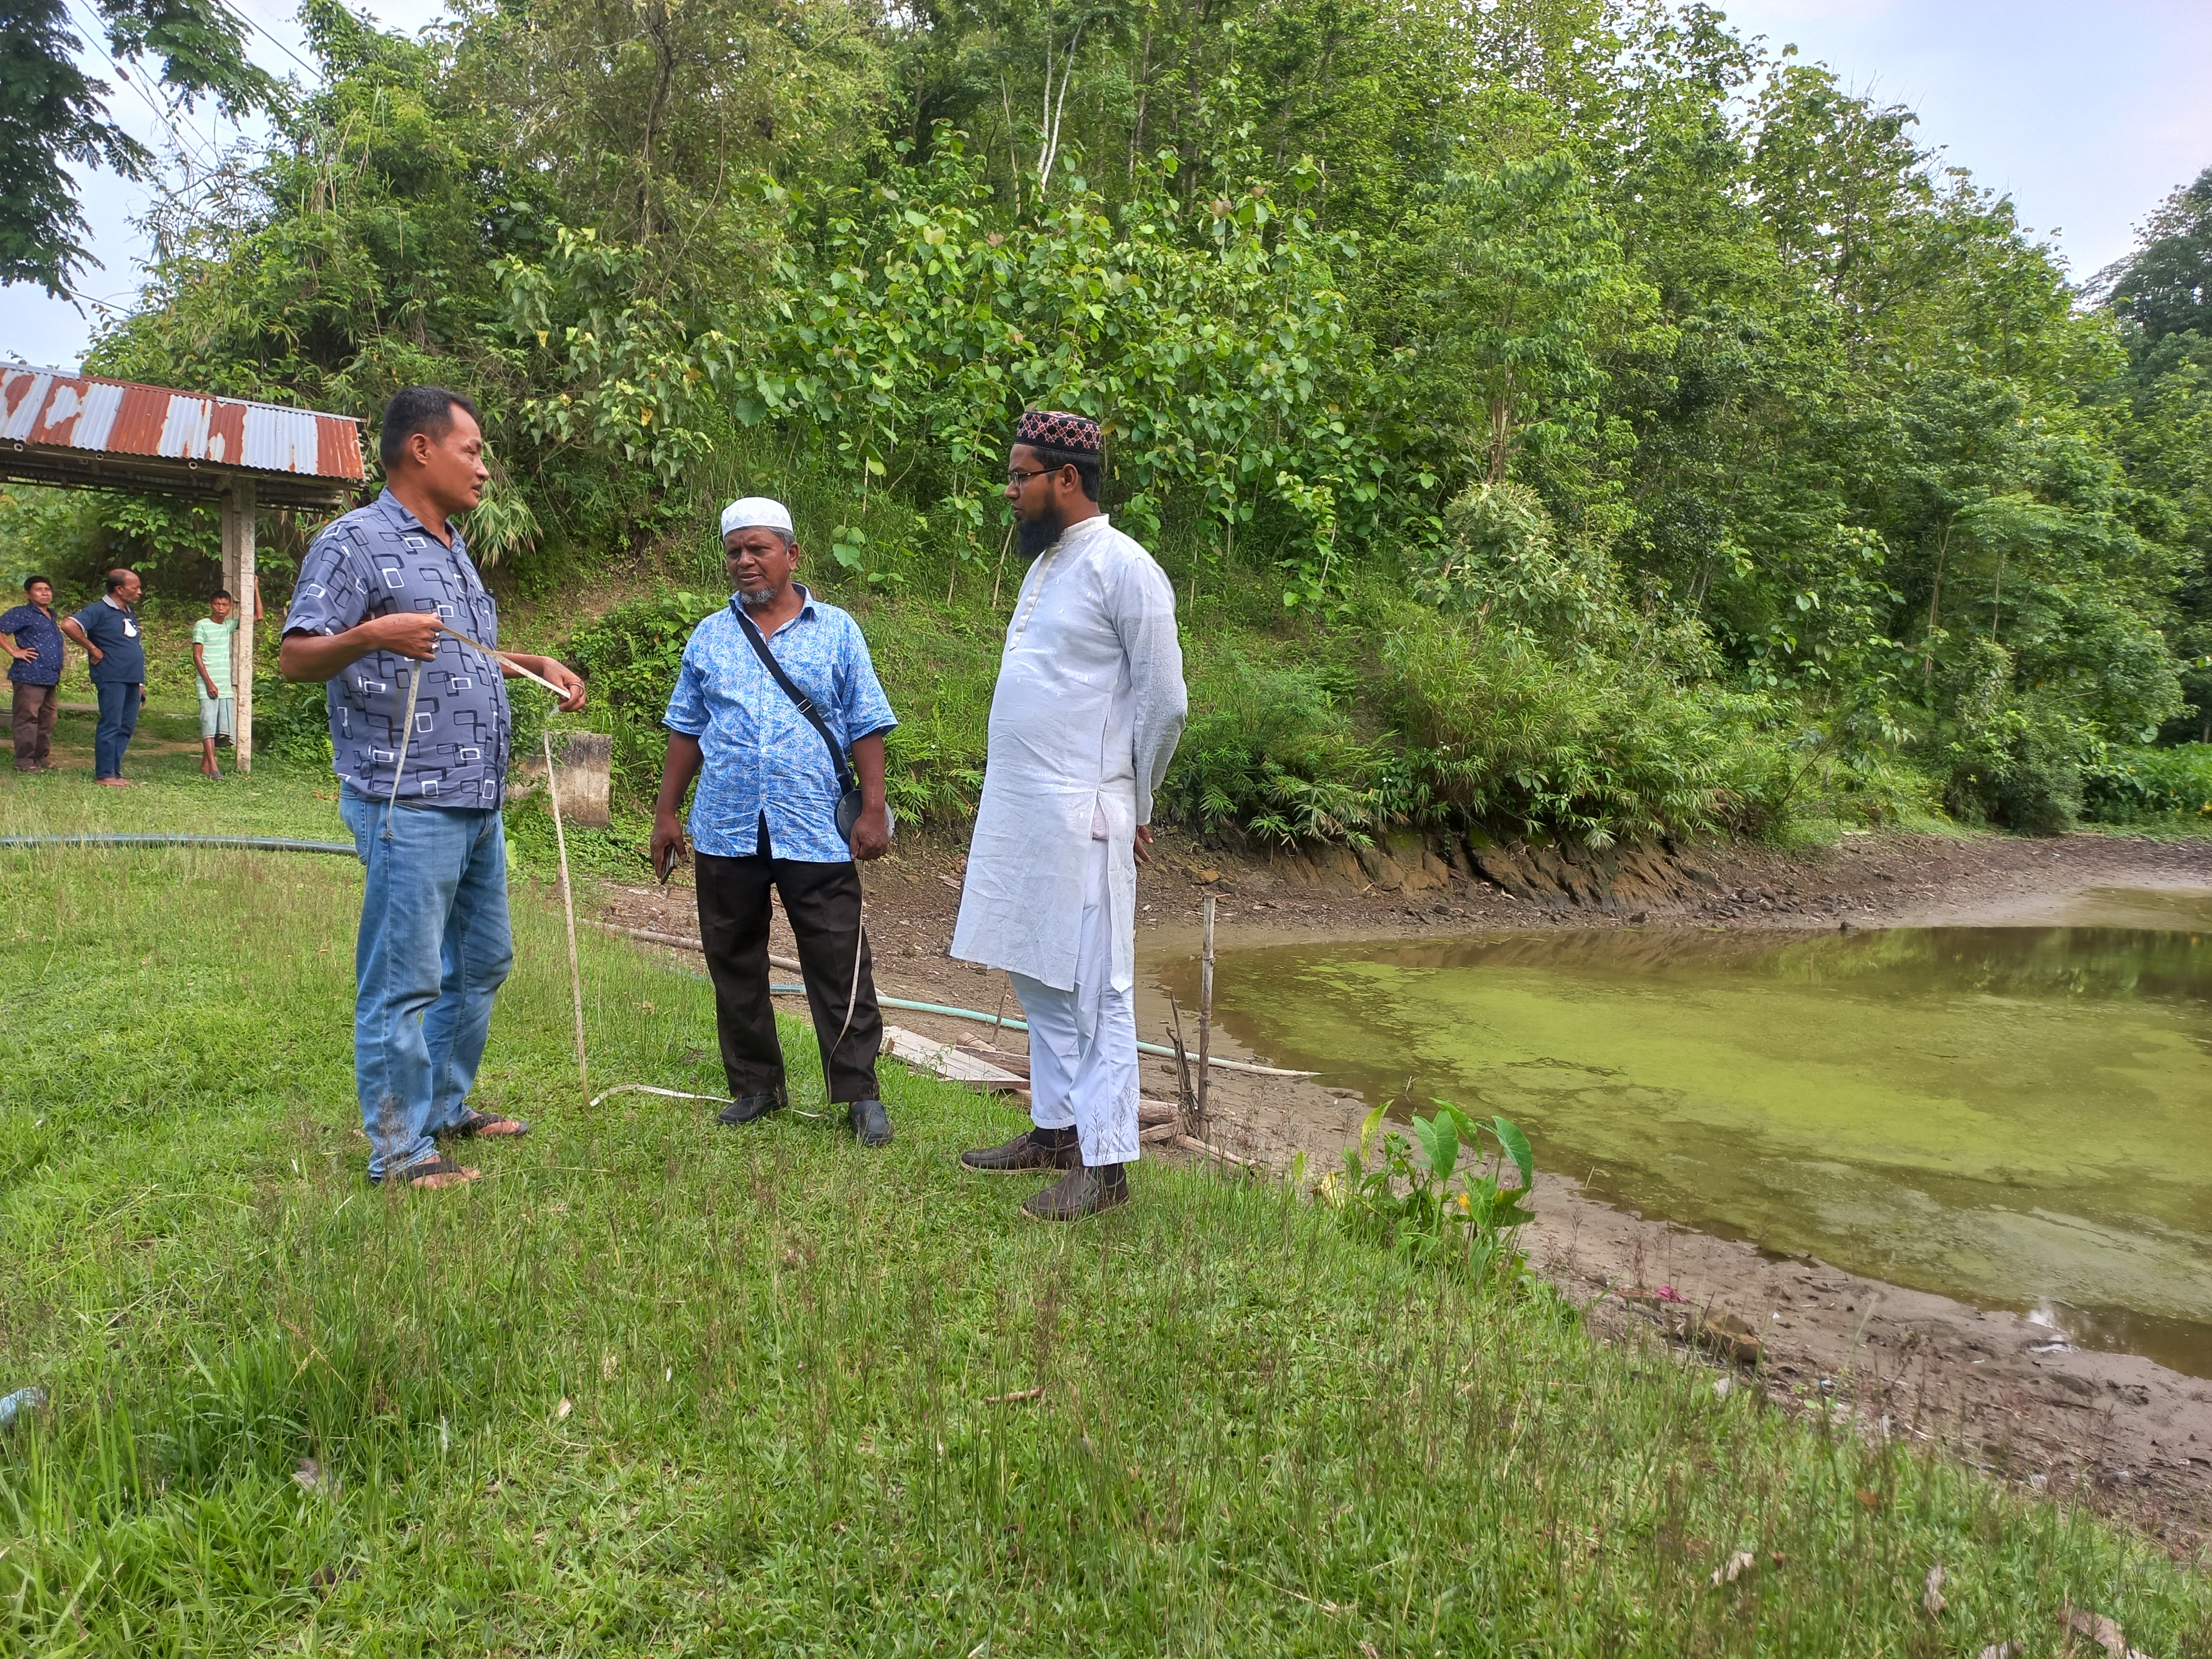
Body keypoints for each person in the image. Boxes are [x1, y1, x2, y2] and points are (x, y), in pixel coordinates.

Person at [279, 385, 588, 1190]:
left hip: (476, 799)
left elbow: (458, 651)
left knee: (483, 960)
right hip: (406, 801)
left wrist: (531, 661)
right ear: (421, 448)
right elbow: (297, 656)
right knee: (404, 979)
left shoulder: (451, 545)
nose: (483, 468)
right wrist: (372, 634)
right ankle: (399, 1151)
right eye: (473, 450)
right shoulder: (353, 544)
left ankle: (444, 1109)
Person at [950, 411, 1187, 1220]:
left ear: (1067, 479)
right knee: (1037, 970)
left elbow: (1165, 702)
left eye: (1020, 476)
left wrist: (1138, 797)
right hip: (1023, 807)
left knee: (1097, 989)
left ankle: (1108, 1162)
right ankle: (1053, 1129)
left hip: (1086, 810)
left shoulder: (1126, 568)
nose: (1009, 491)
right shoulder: (1048, 562)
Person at [650, 498, 900, 1147]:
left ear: (792, 554)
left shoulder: (838, 630)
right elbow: (687, 729)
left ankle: (860, 1094)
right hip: (728, 826)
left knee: (838, 959)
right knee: (733, 958)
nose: (744, 561)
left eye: (758, 548)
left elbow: (868, 721)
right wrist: (667, 813)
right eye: (735, 551)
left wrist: (874, 810)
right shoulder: (709, 635)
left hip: (816, 826)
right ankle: (756, 1085)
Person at [60, 569, 147, 786]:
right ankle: (105, 773)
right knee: (111, 723)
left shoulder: (127, 611)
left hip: (131, 679)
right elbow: (68, 625)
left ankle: (115, 771)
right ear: (119, 589)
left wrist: (139, 682)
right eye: (135, 588)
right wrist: (93, 648)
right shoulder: (99, 609)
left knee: (126, 726)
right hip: (112, 676)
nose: (140, 592)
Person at [192, 582, 263, 778]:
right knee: (208, 723)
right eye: (217, 604)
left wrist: (255, 589)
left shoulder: (228, 626)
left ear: (231, 607)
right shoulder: (202, 625)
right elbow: (197, 656)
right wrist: (208, 682)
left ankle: (205, 766)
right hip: (208, 683)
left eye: (225, 605)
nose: (221, 609)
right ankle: (214, 767)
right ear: (210, 605)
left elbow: (258, 616)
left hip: (224, 684)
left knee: (219, 727)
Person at [1, 575, 64, 772]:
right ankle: (24, 762)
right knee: (27, 718)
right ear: (28, 594)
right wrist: (13, 651)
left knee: (48, 719)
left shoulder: (51, 616)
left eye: (47, 589)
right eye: (39, 589)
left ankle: (41, 758)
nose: (45, 593)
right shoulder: (22, 614)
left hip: (50, 676)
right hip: (29, 675)